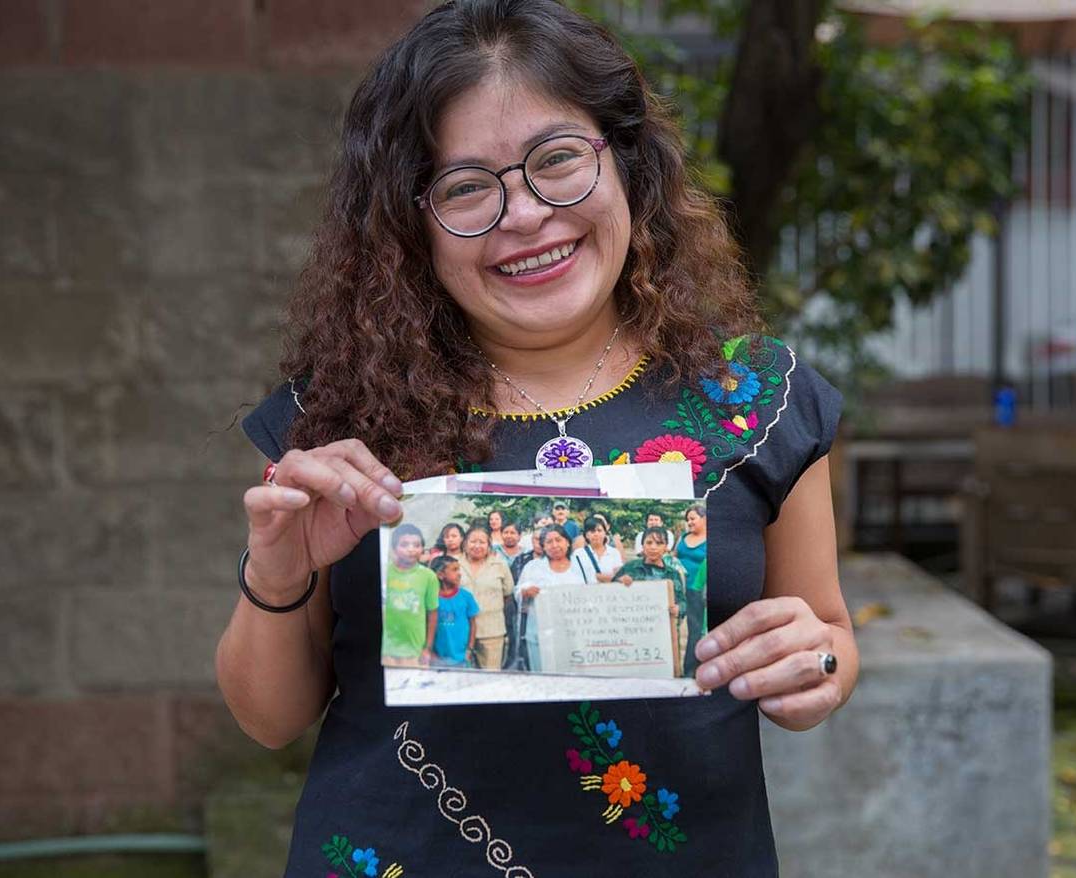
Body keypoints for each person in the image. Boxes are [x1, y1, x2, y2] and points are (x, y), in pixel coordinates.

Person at [220, 2, 857, 873]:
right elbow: (268, 717)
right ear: (411, 225)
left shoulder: (756, 400)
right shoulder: (337, 420)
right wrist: (279, 570)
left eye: (558, 160)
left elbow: (829, 644)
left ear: (627, 165)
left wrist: (812, 661)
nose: (524, 215)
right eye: (466, 187)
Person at [514, 524, 587, 671]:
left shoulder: (581, 565)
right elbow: (518, 591)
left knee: (572, 673)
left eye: (558, 540)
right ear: (543, 546)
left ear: (567, 542)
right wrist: (525, 592)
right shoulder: (533, 567)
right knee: (543, 672)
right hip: (541, 633)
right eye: (549, 542)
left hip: (573, 632)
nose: (554, 545)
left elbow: (595, 593)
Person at [614, 526, 688, 669]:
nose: (653, 547)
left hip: (662, 635)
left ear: (666, 547)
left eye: (659, 543)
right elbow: (609, 596)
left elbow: (683, 602)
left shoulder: (672, 574)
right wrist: (619, 583)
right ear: (642, 546)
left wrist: (678, 609)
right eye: (649, 543)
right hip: (632, 633)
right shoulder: (630, 568)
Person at [379, 524, 438, 667]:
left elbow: (432, 613)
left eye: (416, 545)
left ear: (422, 549)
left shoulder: (428, 576)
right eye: (404, 544)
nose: (411, 549)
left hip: (415, 652)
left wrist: (427, 649)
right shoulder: (384, 572)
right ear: (394, 549)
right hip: (386, 650)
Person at [458, 525, 514, 669]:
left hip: (492, 631)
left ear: (489, 545)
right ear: (464, 544)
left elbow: (507, 593)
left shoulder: (500, 565)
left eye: (482, 542)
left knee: (491, 678)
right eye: (473, 541)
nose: (477, 546)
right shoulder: (454, 564)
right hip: (461, 631)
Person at [429, 555, 480, 667]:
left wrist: (470, 649)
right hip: (437, 659)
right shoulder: (431, 598)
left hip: (462, 658)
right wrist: (430, 652)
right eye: (454, 570)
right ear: (440, 575)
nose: (459, 573)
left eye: (459, 569)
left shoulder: (466, 596)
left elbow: (473, 624)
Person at [675, 505, 708, 676]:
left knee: (694, 631)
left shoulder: (710, 540)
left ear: (704, 519)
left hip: (696, 590)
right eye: (688, 519)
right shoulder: (684, 537)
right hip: (677, 588)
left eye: (693, 518)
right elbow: (674, 557)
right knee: (673, 627)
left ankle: (690, 671)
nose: (689, 522)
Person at [574, 515, 622, 582]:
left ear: (605, 533)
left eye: (599, 531)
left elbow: (619, 577)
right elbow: (576, 576)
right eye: (592, 531)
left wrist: (602, 577)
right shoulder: (578, 554)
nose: (596, 534)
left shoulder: (614, 552)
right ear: (586, 535)